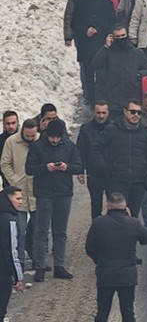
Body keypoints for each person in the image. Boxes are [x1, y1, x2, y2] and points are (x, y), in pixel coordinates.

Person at [84, 192, 147, 322]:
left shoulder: (98, 223)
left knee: (102, 312)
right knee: (127, 312)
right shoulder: (133, 223)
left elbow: (89, 248)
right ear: (124, 206)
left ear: (108, 205)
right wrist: (133, 218)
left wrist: (99, 260)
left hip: (105, 274)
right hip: (126, 276)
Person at [25, 118, 82, 282]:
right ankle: (40, 266)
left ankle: (59, 265)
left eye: (57, 137)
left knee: (60, 232)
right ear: (47, 134)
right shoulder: (37, 146)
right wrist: (45, 167)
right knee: (41, 231)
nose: (55, 140)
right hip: (44, 193)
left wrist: (67, 167)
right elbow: (29, 169)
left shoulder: (69, 146)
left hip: (64, 193)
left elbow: (79, 166)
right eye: (52, 137)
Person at [96, 103, 147, 230]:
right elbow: (98, 150)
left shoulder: (144, 133)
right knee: (116, 218)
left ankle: (130, 242)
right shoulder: (112, 130)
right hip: (116, 181)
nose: (136, 115)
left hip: (138, 182)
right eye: (133, 112)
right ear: (125, 111)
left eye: (139, 112)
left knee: (133, 218)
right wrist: (106, 169)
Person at [65, 0, 117, 108]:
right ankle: (90, 99)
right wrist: (85, 30)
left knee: (102, 73)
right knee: (88, 73)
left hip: (102, 43)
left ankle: (102, 99)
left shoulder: (107, 4)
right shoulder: (80, 3)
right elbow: (74, 22)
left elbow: (112, 21)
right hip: (85, 44)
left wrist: (100, 30)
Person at [0, 119, 36, 273]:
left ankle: (38, 261)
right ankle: (19, 265)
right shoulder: (11, 142)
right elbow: (4, 163)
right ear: (23, 131)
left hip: (37, 193)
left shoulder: (40, 140)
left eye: (33, 135)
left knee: (38, 231)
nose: (31, 138)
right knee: (19, 231)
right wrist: (14, 180)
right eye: (28, 135)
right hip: (18, 194)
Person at [91, 25, 147, 117]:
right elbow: (95, 64)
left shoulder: (136, 53)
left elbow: (145, 70)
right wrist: (106, 47)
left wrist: (137, 76)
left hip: (131, 98)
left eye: (123, 35)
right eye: (117, 36)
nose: (121, 38)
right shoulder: (107, 52)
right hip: (111, 99)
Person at [78, 102, 113, 219]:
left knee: (113, 205)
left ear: (108, 113)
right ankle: (97, 228)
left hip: (112, 174)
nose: (101, 116)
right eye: (98, 113)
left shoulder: (115, 128)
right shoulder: (85, 129)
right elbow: (80, 150)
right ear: (94, 113)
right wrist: (80, 170)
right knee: (96, 205)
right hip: (94, 174)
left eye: (104, 112)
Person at [0, 187, 22, 322]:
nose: (21, 202)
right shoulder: (9, 219)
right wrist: (18, 276)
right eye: (18, 199)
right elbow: (11, 250)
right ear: (9, 199)